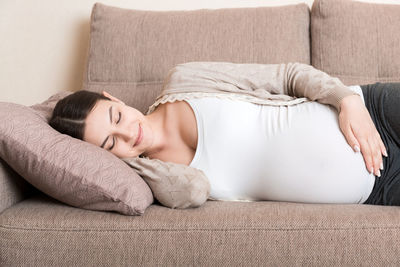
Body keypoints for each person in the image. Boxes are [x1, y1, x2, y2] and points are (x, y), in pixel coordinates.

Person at [49, 62, 399, 206]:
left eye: (116, 116)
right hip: (378, 187)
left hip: (375, 110)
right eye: (111, 143)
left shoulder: (185, 79)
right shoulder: (158, 180)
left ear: (114, 98)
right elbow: (195, 191)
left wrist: (348, 101)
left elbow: (287, 75)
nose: (129, 133)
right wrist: (129, 162)